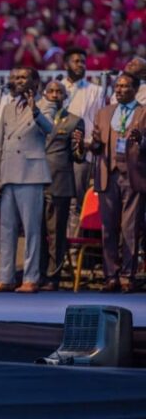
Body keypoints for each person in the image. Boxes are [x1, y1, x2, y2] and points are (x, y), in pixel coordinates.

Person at [0, 67, 55, 293]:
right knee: (6, 229)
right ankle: (5, 278)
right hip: (7, 174)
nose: (18, 81)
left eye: (23, 77)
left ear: (34, 82)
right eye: (15, 77)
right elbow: (0, 145)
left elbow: (50, 129)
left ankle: (31, 278)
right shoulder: (7, 108)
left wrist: (35, 111)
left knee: (32, 230)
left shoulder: (45, 105)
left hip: (31, 174)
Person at [90, 73, 146, 293]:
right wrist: (91, 144)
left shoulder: (143, 112)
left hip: (133, 175)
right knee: (108, 228)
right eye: (117, 86)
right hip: (108, 174)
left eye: (124, 86)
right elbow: (97, 145)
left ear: (135, 89)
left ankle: (127, 275)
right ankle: (110, 275)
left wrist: (142, 141)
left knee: (129, 228)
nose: (119, 90)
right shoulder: (104, 113)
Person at [39, 81, 85, 291]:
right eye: (51, 91)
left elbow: (77, 157)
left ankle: (53, 278)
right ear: (44, 94)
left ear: (65, 97)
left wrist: (81, 146)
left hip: (59, 183)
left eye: (59, 92)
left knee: (56, 233)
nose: (55, 95)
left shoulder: (75, 121)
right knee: (35, 232)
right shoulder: (34, 117)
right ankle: (35, 275)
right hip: (34, 180)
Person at [60, 47, 104, 229]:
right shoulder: (57, 88)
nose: (80, 65)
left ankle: (77, 247)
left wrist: (88, 143)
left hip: (82, 152)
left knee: (78, 200)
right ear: (66, 64)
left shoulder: (96, 90)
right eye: (76, 61)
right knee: (58, 201)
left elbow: (97, 121)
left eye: (83, 62)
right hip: (58, 154)